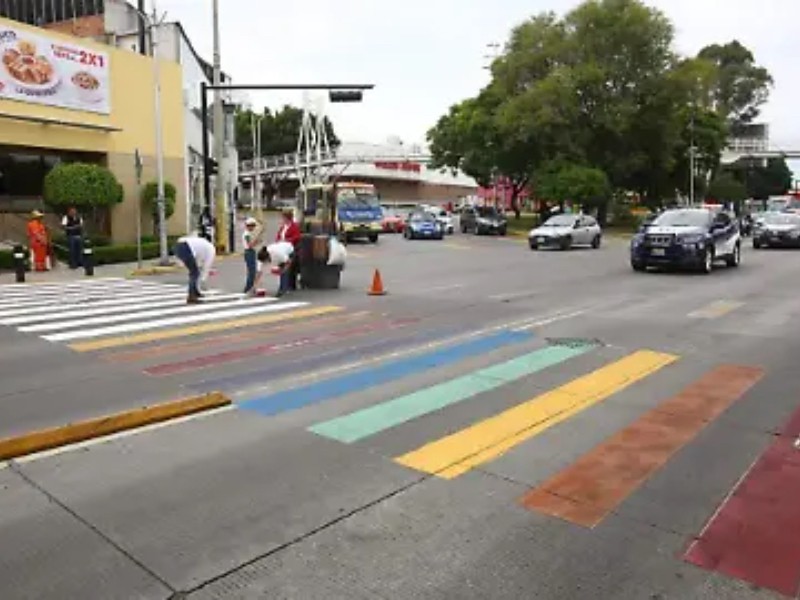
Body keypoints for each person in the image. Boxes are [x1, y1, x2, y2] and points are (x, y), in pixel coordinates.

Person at [173, 234, 216, 304]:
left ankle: (196, 292)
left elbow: (197, 263)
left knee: (194, 272)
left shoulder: (203, 246)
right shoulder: (211, 250)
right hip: (186, 247)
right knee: (195, 273)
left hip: (178, 245)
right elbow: (206, 266)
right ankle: (191, 296)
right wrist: (203, 279)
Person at [275, 208, 301, 294]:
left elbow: (297, 236)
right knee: (281, 267)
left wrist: (287, 240)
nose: (283, 219)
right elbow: (278, 235)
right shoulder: (283, 227)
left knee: (286, 268)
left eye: (284, 218)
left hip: (289, 249)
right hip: (281, 249)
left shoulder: (294, 226)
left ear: (288, 218)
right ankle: (282, 286)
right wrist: (278, 241)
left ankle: (284, 287)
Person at [242, 216, 261, 295]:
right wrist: (257, 241)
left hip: (250, 252)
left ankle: (250, 287)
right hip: (249, 252)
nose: (253, 228)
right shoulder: (246, 234)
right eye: (252, 226)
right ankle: (248, 288)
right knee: (252, 272)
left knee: (252, 271)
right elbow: (250, 245)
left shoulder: (248, 233)